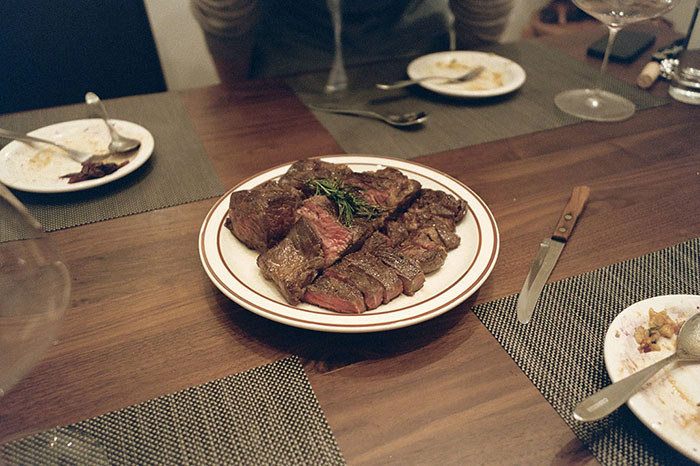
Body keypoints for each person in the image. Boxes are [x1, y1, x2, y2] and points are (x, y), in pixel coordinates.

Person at [190, 0, 514, 86]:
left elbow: (485, 6)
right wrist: (239, 94)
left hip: (411, 41)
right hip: (290, 46)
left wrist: (468, 78)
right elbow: (225, 14)